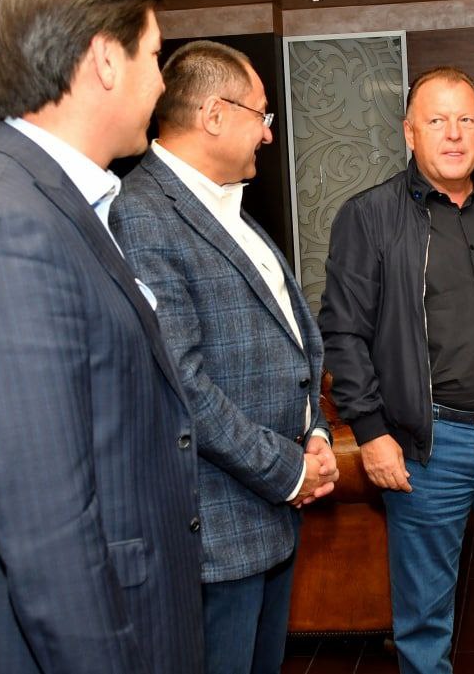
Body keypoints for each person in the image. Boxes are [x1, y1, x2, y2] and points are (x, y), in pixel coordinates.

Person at [0, 0, 204, 674]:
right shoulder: (5, 227)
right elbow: (49, 529)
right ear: (105, 59)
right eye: (153, 56)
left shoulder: (52, 202)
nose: (161, 81)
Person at [319, 65, 474, 673]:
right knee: (425, 627)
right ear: (409, 132)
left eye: (466, 120)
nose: (454, 134)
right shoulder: (369, 216)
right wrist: (372, 432)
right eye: (437, 120)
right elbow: (344, 335)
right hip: (427, 448)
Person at [109, 41, 338, 674]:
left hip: (267, 518)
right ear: (215, 115)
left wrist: (315, 432)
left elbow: (289, 345)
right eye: (262, 115)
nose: (268, 134)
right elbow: (183, 385)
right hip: (215, 532)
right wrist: (289, 471)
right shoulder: (142, 215)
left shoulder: (227, 207)